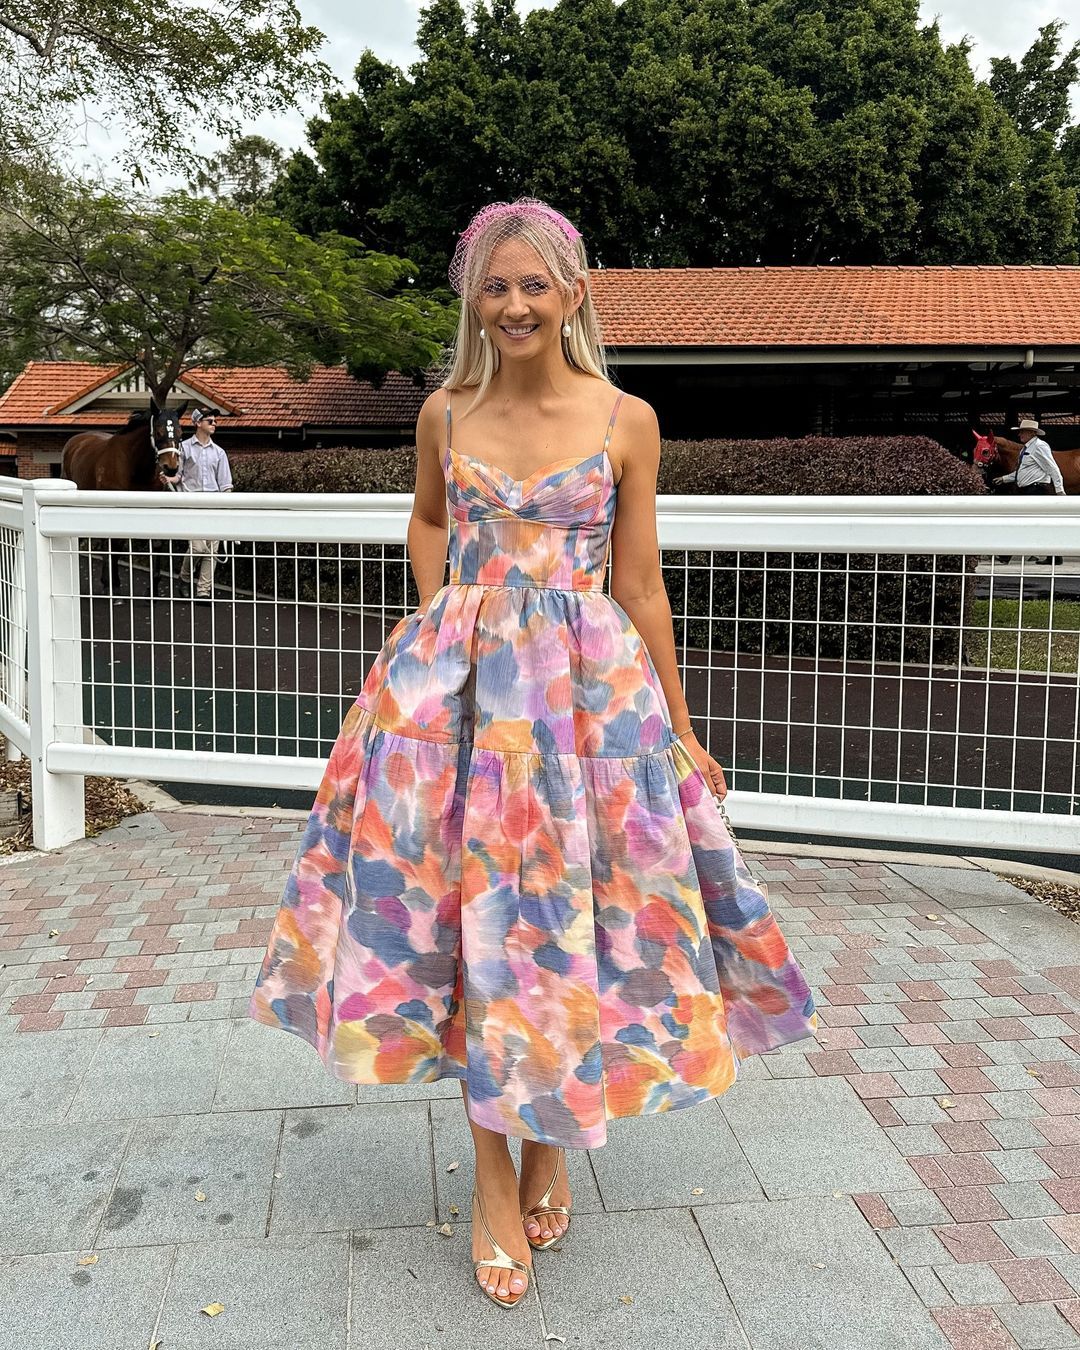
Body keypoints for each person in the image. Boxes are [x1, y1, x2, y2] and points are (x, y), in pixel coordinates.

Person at [247, 197, 818, 1309]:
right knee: (469, 919)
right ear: (474, 301)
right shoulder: (444, 412)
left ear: (573, 293)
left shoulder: (627, 420)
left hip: (589, 709)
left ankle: (549, 1133)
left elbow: (639, 580)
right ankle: (495, 1179)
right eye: (494, 287)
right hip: (453, 705)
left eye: (534, 285)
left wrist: (681, 726)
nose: (514, 305)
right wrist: (444, 614)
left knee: (573, 913)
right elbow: (427, 520)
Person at [166, 408, 233, 600]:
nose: (214, 424)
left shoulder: (219, 453)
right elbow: (179, 475)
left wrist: (227, 507)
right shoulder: (184, 448)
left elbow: (225, 484)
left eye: (215, 421)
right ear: (197, 423)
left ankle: (203, 591)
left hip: (214, 505)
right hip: (191, 504)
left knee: (212, 550)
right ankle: (185, 578)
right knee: (198, 548)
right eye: (210, 421)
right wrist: (170, 480)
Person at [993, 416, 1065, 564]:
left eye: (1023, 432)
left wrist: (1059, 490)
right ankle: (1055, 557)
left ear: (1032, 433)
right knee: (1033, 523)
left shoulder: (1039, 446)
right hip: (1029, 490)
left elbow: (1052, 468)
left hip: (1036, 490)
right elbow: (1024, 471)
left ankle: (1006, 556)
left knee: (1021, 522)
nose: (1019, 434)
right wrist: (1005, 478)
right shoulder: (1026, 448)